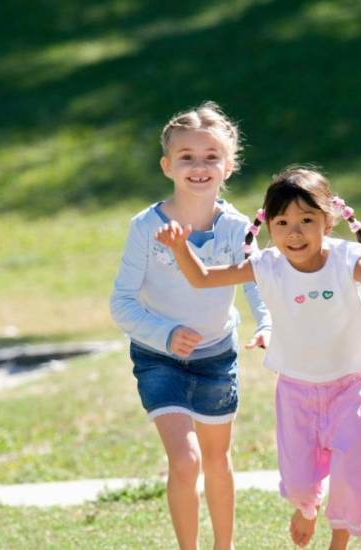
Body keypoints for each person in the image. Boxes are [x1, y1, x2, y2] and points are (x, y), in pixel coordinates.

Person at [155, 166, 361, 549]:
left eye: (306, 220)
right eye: (283, 222)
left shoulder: (345, 258)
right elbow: (203, 278)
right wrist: (179, 248)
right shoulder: (267, 266)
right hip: (296, 391)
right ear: (269, 226)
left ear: (328, 221)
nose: (295, 232)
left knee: (351, 471)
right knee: (300, 482)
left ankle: (339, 541)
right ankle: (306, 508)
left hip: (350, 387)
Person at [110, 101, 271, 550]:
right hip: (159, 360)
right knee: (186, 460)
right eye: (186, 157)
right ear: (167, 165)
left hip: (217, 358)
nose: (199, 167)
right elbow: (121, 302)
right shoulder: (146, 227)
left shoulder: (238, 228)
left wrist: (267, 325)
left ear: (229, 166)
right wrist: (163, 333)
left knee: (217, 461)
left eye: (210, 157)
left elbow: (259, 283)